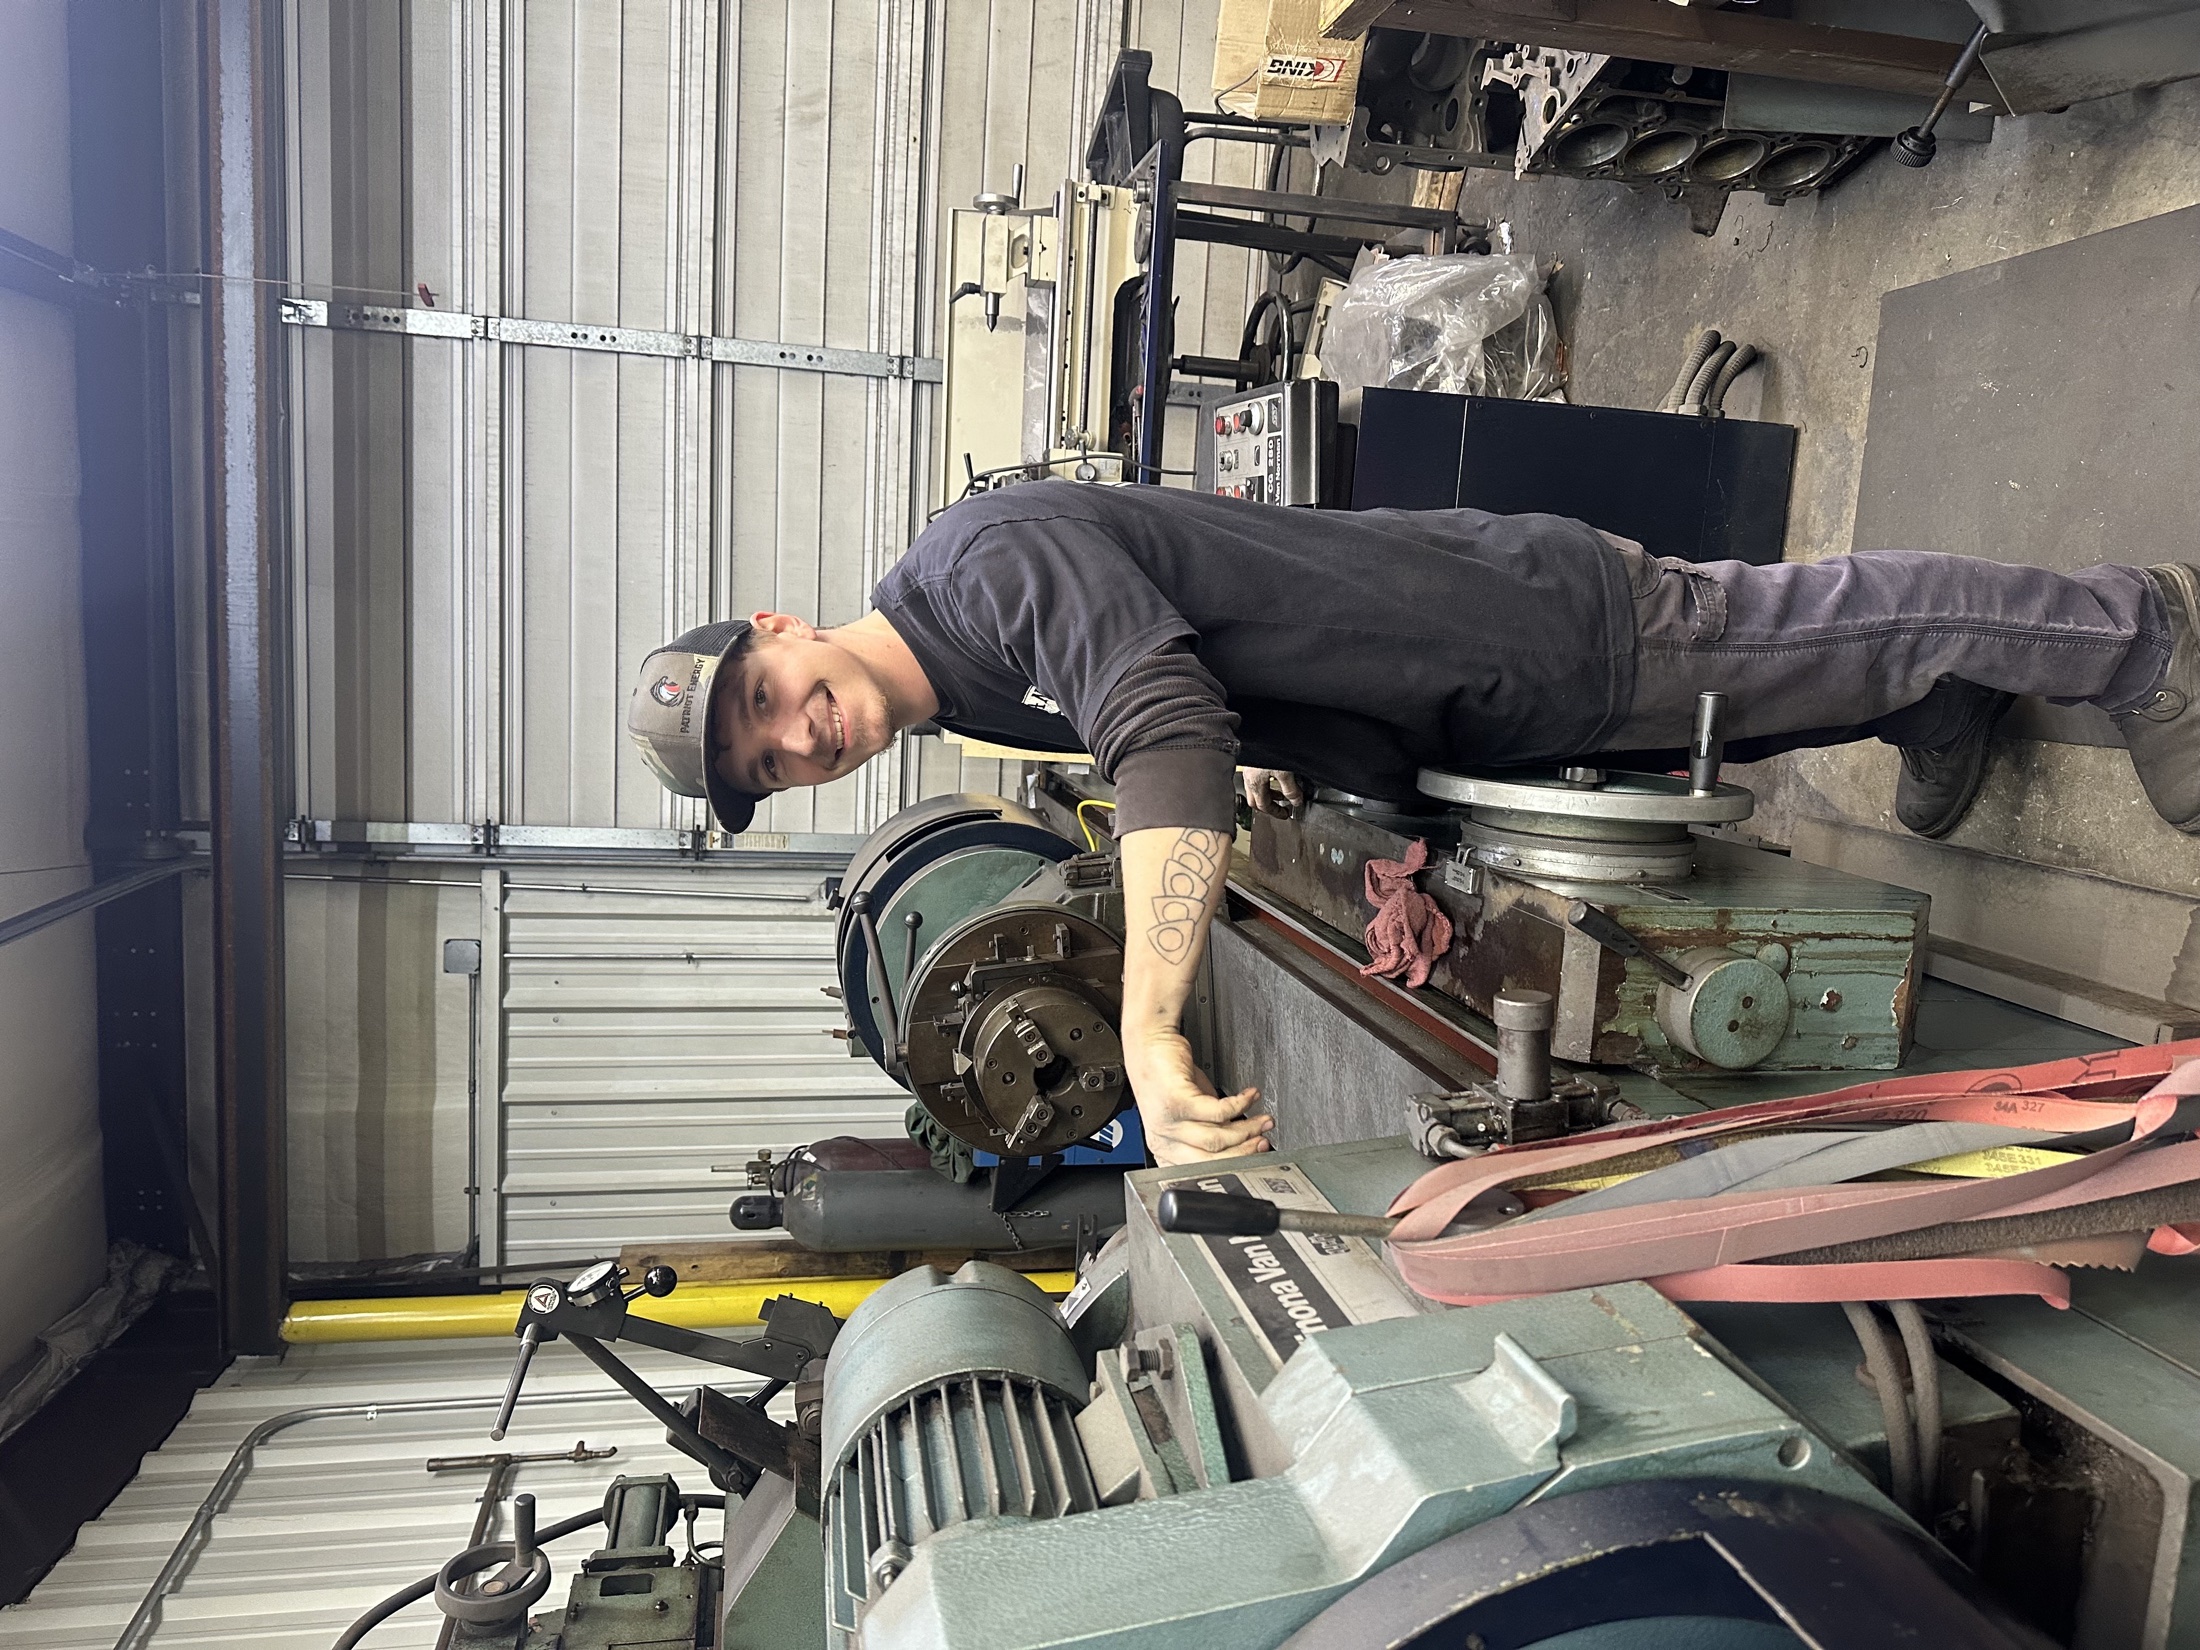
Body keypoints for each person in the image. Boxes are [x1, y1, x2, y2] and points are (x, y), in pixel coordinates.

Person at [627, 483, 2197, 1165]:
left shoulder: (971, 572)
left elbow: (1156, 716)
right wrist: (1267, 761)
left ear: (776, 622)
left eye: (766, 695)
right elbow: (1187, 685)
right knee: (1769, 696)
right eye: (768, 761)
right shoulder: (970, 682)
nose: (796, 733)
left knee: (1795, 629)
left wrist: (1156, 1028)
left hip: (1495, 619)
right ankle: (1941, 699)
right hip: (1445, 694)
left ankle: (2134, 632)